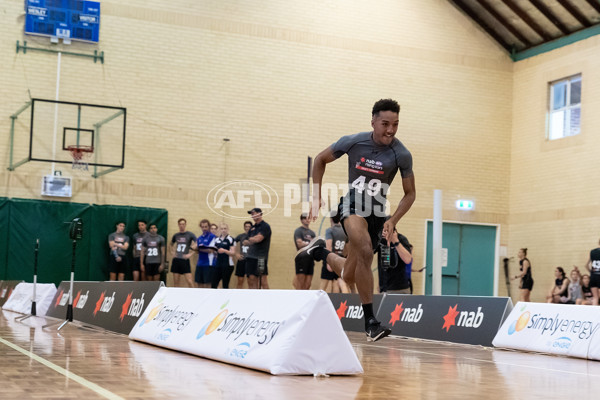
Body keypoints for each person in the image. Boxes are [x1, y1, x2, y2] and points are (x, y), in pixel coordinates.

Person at [297, 98, 415, 342]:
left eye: (395, 124)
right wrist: (316, 196)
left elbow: (410, 193)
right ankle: (370, 321)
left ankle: (321, 253)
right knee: (363, 250)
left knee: (349, 273)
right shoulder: (353, 142)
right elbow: (320, 160)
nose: (390, 130)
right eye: (385, 123)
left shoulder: (401, 154)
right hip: (352, 206)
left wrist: (393, 219)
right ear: (373, 121)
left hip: (378, 214)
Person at [243, 208, 272, 289]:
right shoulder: (252, 228)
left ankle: (268, 299)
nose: (252, 215)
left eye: (254, 213)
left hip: (261, 258)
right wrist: (252, 239)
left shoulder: (265, 226)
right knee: (251, 279)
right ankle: (254, 298)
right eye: (251, 214)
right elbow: (247, 241)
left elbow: (258, 239)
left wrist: (251, 239)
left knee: (262, 281)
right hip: (251, 256)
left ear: (259, 214)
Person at [320, 214, 348, 293]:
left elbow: (328, 245)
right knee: (340, 283)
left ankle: (316, 304)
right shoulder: (344, 231)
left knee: (323, 286)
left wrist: (329, 262)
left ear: (331, 220)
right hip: (341, 259)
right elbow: (347, 247)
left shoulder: (330, 230)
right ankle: (347, 302)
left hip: (331, 258)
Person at [170, 218, 197, 287]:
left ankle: (194, 296)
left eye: (183, 224)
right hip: (176, 260)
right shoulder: (176, 235)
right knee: (176, 283)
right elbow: (170, 244)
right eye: (180, 224)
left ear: (185, 225)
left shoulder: (190, 234)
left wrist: (191, 254)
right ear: (178, 225)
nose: (181, 225)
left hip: (185, 260)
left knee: (190, 281)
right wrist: (172, 252)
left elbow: (198, 243)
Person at [293, 213, 316, 290]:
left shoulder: (312, 233)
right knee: (300, 284)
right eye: (305, 218)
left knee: (308, 284)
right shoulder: (298, 231)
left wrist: (305, 243)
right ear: (301, 220)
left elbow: (315, 245)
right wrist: (310, 243)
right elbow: (299, 244)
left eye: (309, 218)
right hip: (301, 259)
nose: (307, 220)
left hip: (310, 259)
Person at [212, 223, 235, 289]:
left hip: (227, 265)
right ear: (219, 230)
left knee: (225, 285)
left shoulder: (231, 239)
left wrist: (224, 251)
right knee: (214, 284)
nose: (223, 230)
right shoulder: (216, 239)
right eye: (222, 229)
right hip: (218, 264)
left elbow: (233, 253)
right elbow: (214, 250)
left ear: (227, 229)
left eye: (225, 228)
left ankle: (226, 299)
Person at [195, 219, 216, 288]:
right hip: (200, 263)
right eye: (202, 227)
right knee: (199, 283)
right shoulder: (199, 238)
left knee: (208, 284)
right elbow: (197, 251)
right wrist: (195, 249)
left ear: (209, 227)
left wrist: (200, 249)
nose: (204, 228)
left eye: (206, 227)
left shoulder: (212, 237)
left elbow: (211, 250)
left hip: (208, 264)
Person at [234, 221, 252, 289]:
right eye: (246, 226)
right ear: (244, 227)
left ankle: (251, 297)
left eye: (249, 227)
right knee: (240, 281)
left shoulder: (254, 237)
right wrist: (236, 254)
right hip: (242, 260)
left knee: (250, 281)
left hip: (250, 261)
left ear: (251, 228)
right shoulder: (241, 236)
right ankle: (237, 297)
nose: (247, 228)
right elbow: (232, 242)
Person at [585, 239, 600, 305]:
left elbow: (586, 265)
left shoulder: (592, 252)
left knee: (595, 297)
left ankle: (594, 314)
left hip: (593, 277)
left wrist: (591, 272)